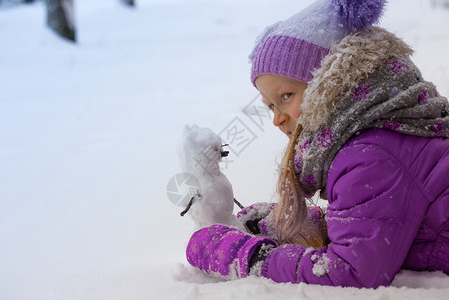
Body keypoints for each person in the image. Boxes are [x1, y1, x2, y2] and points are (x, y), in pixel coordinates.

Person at [185, 0, 449, 288]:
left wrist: (249, 257)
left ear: (334, 83)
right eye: (269, 106)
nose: (277, 119)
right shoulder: (386, 134)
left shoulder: (371, 155)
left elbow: (349, 271)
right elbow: (388, 221)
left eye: (286, 96)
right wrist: (304, 224)